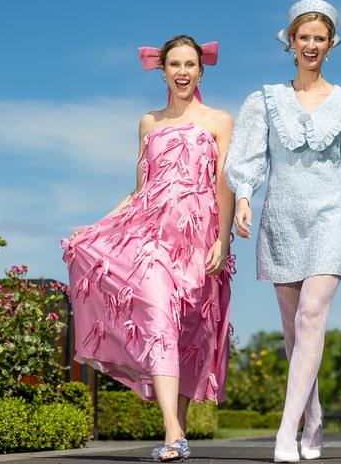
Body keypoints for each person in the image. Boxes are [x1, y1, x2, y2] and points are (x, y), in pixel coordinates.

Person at [61, 35, 235, 462]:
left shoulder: (219, 120)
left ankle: (179, 428)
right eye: (173, 64)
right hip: (151, 238)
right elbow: (141, 191)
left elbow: (224, 184)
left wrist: (222, 237)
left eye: (189, 64)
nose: (181, 72)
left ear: (201, 70)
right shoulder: (148, 123)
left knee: (190, 332)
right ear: (162, 71)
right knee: (157, 315)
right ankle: (173, 432)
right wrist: (98, 227)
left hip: (199, 241)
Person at [224, 0, 341, 463]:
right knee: (294, 331)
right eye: (303, 36)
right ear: (290, 41)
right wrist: (244, 199)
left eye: (320, 37)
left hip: (334, 218)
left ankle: (285, 432)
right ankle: (312, 416)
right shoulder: (265, 100)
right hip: (282, 218)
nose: (311, 44)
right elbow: (247, 158)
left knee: (312, 316)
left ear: (331, 44)